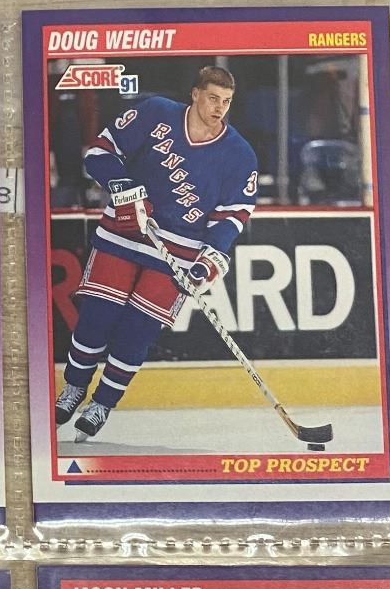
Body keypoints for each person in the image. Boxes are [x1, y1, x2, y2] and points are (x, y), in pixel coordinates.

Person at [56, 66, 258, 442]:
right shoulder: (155, 113)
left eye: (226, 101)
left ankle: (102, 404)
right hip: (122, 234)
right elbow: (99, 153)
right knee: (97, 319)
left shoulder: (240, 155)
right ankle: (74, 387)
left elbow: (233, 215)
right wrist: (123, 186)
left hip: (177, 254)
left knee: (137, 333)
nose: (219, 108)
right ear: (195, 94)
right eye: (213, 98)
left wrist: (209, 260)